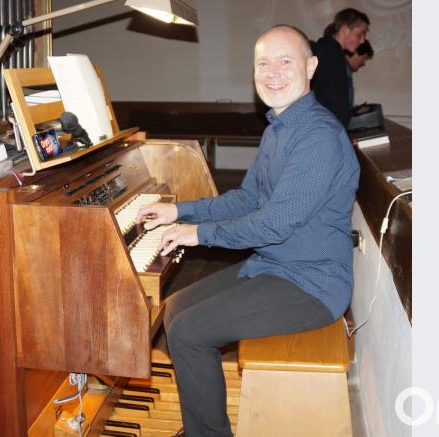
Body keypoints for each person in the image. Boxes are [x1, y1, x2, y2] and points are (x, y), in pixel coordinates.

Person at [135, 24, 360, 437]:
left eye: (285, 60)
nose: (272, 71)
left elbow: (273, 223)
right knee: (175, 307)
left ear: (311, 67)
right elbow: (247, 199)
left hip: (313, 283)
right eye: (262, 63)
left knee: (189, 331)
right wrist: (178, 212)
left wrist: (197, 233)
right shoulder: (280, 127)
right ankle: (203, 420)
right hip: (277, 266)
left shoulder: (318, 137)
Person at [311, 8, 370, 128]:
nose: (362, 41)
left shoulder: (329, 50)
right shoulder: (331, 54)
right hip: (329, 129)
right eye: (360, 34)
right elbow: (336, 102)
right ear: (345, 29)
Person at [345, 40, 375, 114]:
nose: (364, 63)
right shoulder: (344, 71)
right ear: (355, 53)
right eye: (364, 58)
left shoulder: (345, 70)